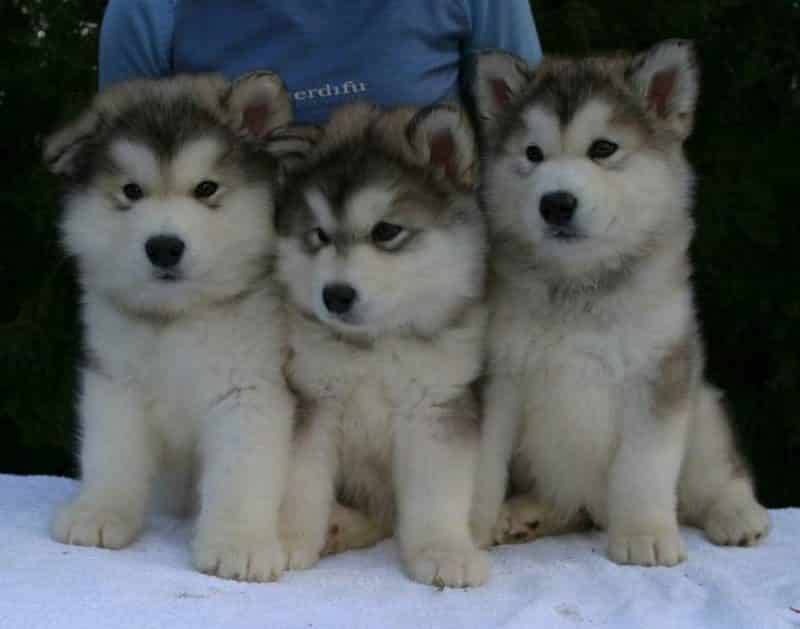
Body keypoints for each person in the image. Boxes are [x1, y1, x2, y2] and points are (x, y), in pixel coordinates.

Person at [98, 1, 542, 123]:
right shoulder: (149, 10)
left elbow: (536, 148)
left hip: (433, 326)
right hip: (230, 328)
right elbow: (117, 194)